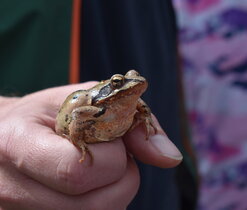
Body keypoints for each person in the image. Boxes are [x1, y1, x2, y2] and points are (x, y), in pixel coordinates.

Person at [0, 0, 190, 209]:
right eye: (119, 83)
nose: (133, 84)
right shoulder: (96, 108)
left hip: (157, 188)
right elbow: (78, 113)